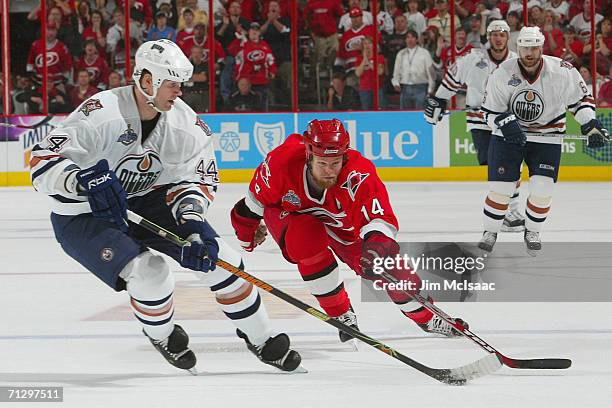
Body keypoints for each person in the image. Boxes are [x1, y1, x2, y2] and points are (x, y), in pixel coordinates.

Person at [29, 39, 301, 373]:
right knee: (150, 274)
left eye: (180, 85)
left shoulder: (186, 125)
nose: (179, 92)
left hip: (147, 202)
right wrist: (81, 181)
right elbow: (41, 163)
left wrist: (192, 221)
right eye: (172, 84)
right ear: (147, 80)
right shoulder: (100, 113)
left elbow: (195, 180)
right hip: (84, 214)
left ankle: (262, 337)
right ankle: (162, 333)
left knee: (222, 259)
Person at [230, 119, 467, 344]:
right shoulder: (281, 163)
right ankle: (340, 313)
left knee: (392, 269)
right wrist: (247, 238)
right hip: (291, 217)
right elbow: (250, 206)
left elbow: (380, 217)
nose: (329, 171)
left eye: (335, 163)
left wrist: (376, 248)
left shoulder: (359, 173)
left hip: (343, 227)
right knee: (306, 240)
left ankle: (427, 318)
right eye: (322, 163)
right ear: (309, 156)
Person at [477, 27, 609, 253]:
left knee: (542, 188)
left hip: (548, 137)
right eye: (525, 47)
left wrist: (589, 125)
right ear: (517, 47)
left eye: (534, 47)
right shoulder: (502, 73)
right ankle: (490, 230)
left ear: (541, 47)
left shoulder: (562, 70)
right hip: (508, 138)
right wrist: (507, 125)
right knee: (501, 188)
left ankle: (533, 230)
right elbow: (489, 112)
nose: (530, 53)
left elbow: (580, 101)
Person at [425, 20, 524, 232]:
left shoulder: (518, 61)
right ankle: (506, 211)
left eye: (502, 34)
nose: (498, 38)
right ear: (489, 37)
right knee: (498, 165)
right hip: (480, 121)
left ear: (508, 37)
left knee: (510, 164)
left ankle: (510, 210)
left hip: (508, 121)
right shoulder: (473, 58)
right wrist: (439, 100)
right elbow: (452, 79)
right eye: (494, 34)